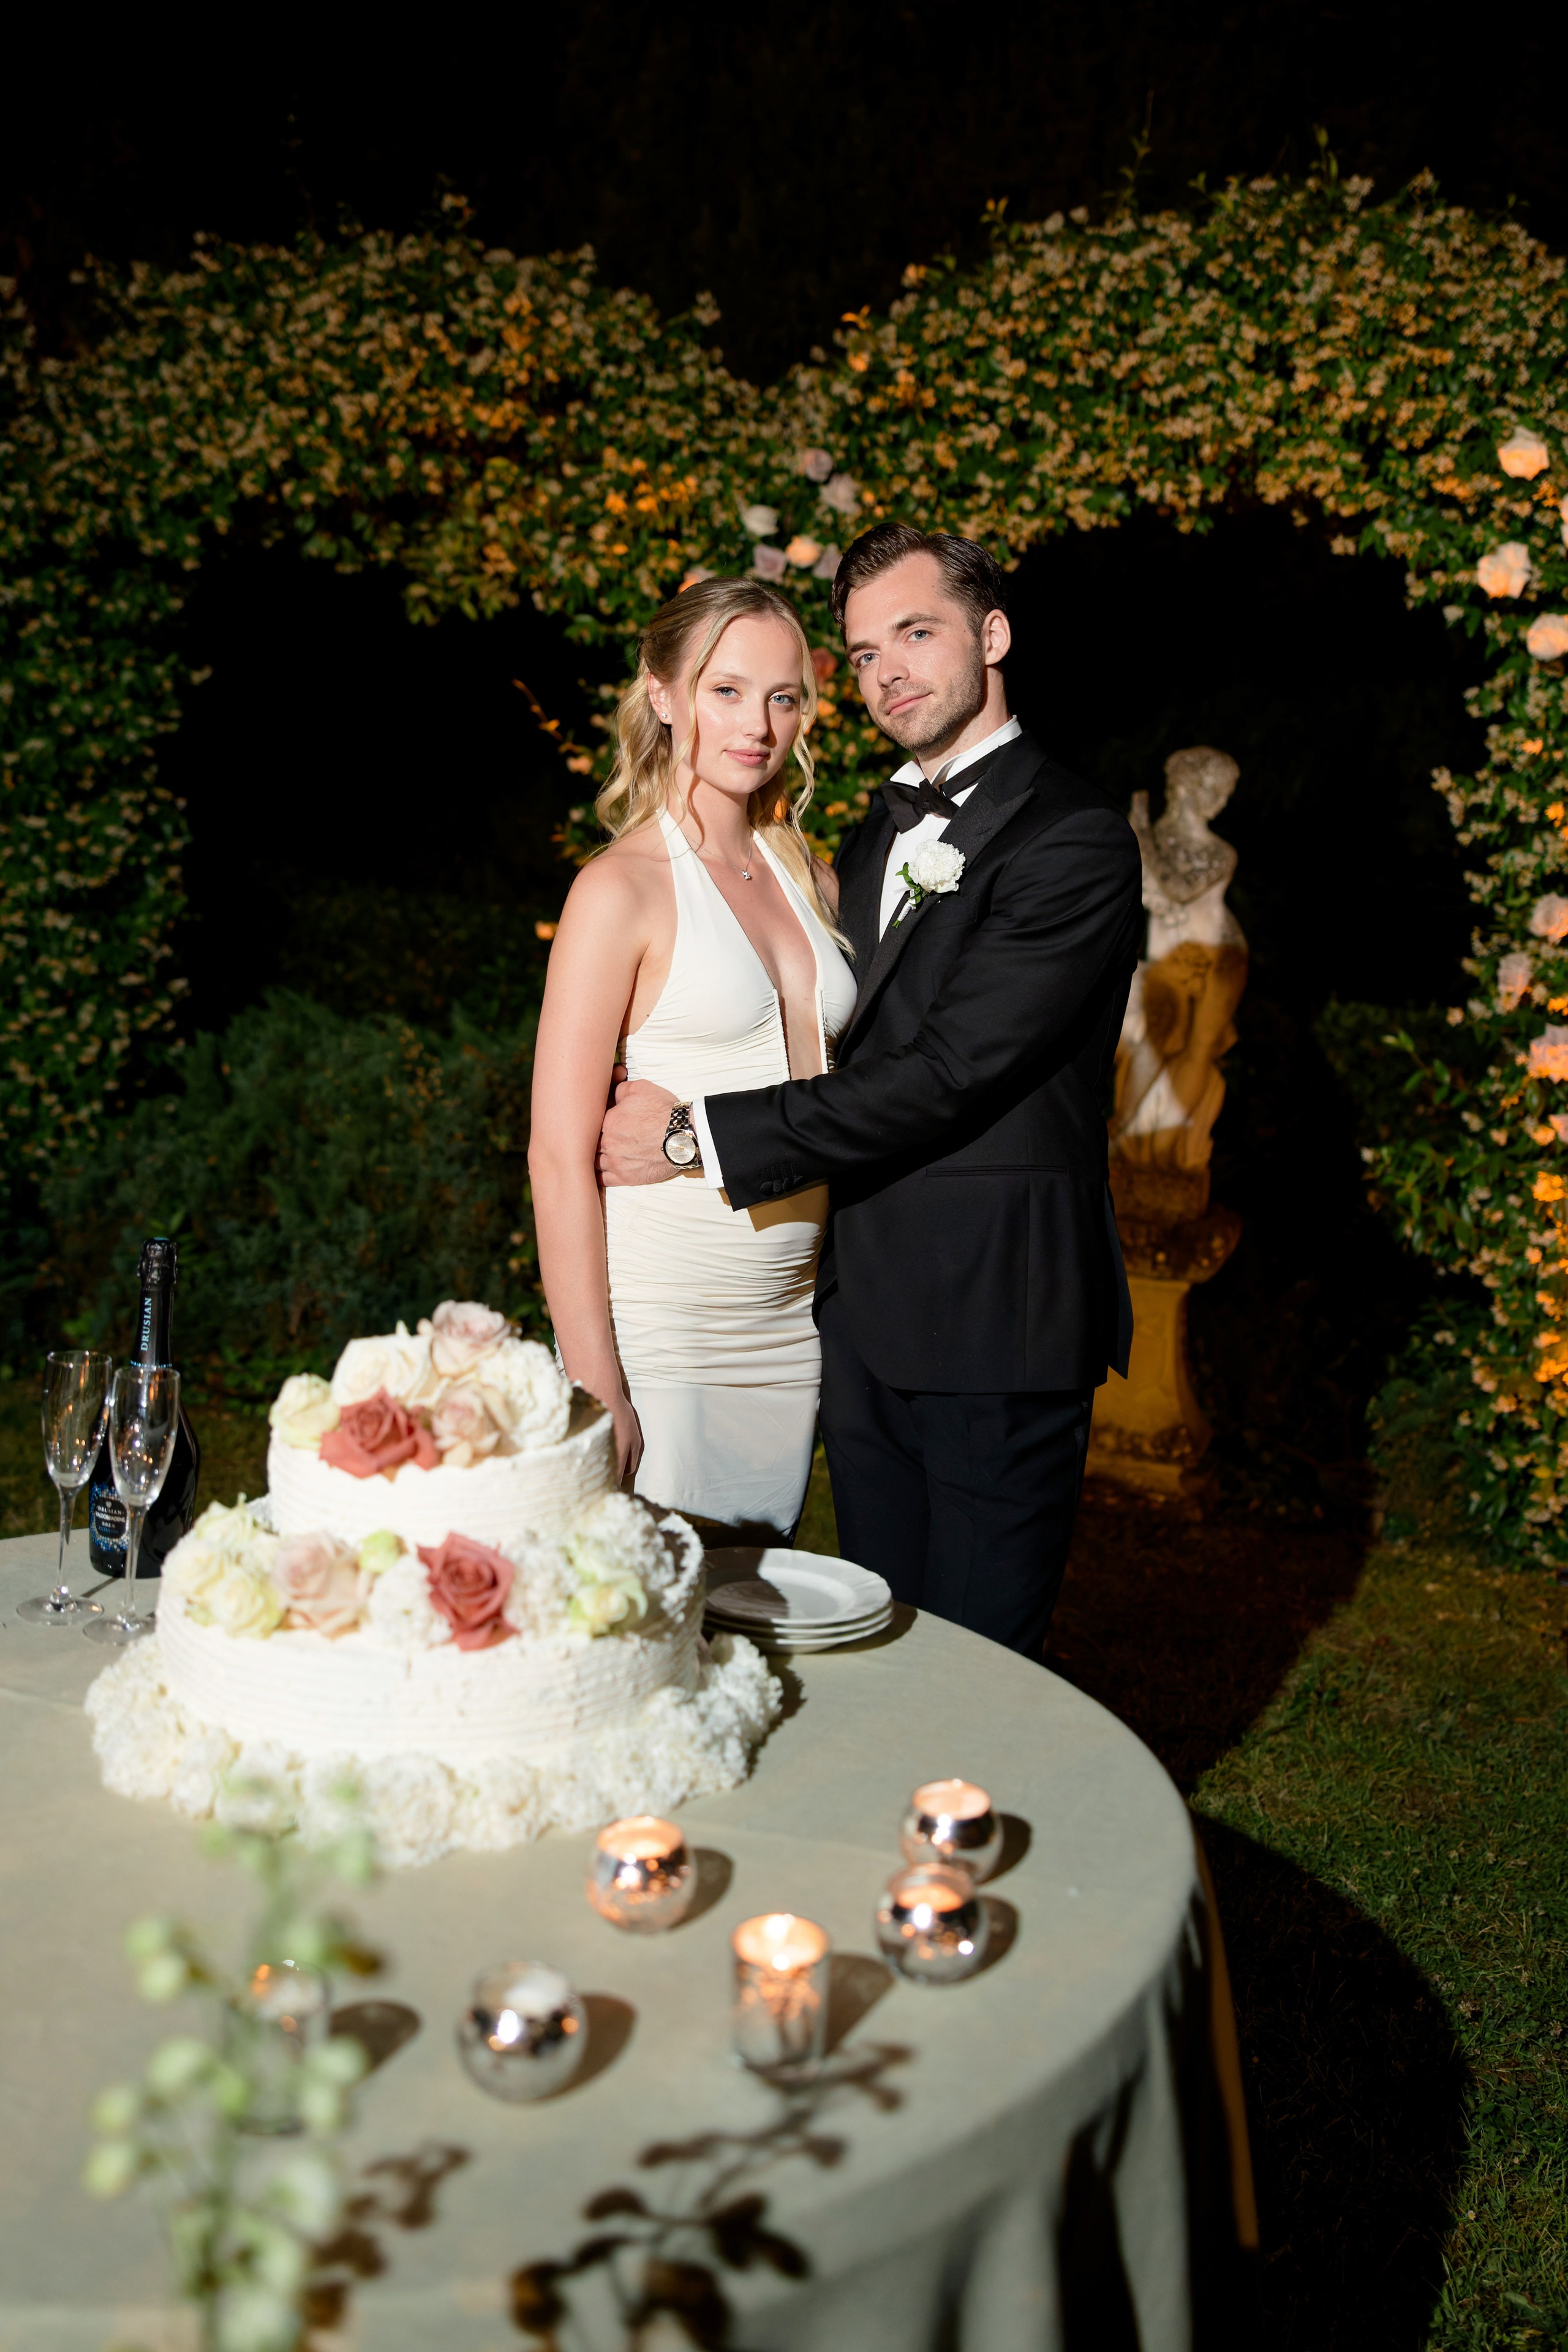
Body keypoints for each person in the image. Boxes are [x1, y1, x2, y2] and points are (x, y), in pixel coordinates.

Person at [600, 523, 1143, 1657]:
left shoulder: (1074, 840)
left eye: (916, 633)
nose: (888, 670)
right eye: (861, 654)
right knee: (874, 1650)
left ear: (992, 636)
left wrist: (697, 1134)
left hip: (997, 1321)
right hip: (853, 1317)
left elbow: (946, 1074)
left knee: (977, 1670)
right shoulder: (857, 839)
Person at [528, 576, 856, 1540]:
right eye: (727, 690)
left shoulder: (816, 882)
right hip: (666, 1334)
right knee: (659, 1611)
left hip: (793, 1333)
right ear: (663, 693)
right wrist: (598, 1382)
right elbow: (557, 1156)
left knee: (757, 1608)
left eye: (783, 697)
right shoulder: (619, 890)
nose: (757, 725)